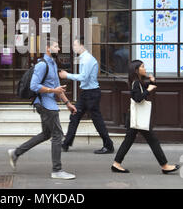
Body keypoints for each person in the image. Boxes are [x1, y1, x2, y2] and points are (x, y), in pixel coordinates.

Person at [7, 38, 78, 180]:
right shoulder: (42, 65)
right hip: (46, 105)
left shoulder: (53, 64)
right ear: (47, 48)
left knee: (46, 134)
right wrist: (52, 90)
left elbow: (58, 88)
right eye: (56, 46)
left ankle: (16, 153)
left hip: (50, 103)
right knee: (57, 135)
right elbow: (34, 86)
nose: (58, 49)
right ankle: (57, 170)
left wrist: (68, 103)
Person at [111, 60, 180, 174]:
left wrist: (152, 82)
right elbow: (138, 98)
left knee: (128, 141)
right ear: (136, 70)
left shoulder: (138, 82)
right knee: (153, 141)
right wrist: (148, 90)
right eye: (142, 67)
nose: (145, 68)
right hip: (137, 117)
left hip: (135, 117)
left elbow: (147, 87)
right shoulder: (136, 83)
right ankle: (165, 165)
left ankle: (116, 164)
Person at [59, 36, 114, 154]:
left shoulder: (87, 59)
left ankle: (108, 145)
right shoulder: (84, 58)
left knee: (97, 120)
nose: (73, 47)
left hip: (92, 93)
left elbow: (84, 77)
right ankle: (66, 143)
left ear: (81, 45)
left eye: (75, 45)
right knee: (74, 116)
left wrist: (67, 75)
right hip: (86, 93)